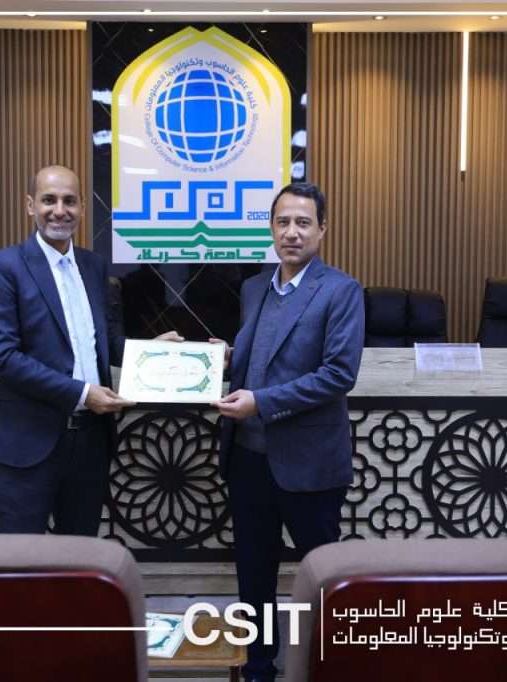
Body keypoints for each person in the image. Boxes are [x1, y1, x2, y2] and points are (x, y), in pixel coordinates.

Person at [213, 182, 364, 682]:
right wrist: (224, 358)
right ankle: (258, 669)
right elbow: (259, 355)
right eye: (282, 223)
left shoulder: (341, 291)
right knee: (253, 577)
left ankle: (330, 667)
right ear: (271, 229)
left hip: (309, 462)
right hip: (248, 459)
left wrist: (261, 402)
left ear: (323, 229)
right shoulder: (254, 288)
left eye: (303, 223)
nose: (291, 233)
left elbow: (338, 374)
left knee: (324, 577)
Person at [0, 164, 179, 535]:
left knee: (80, 553)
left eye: (69, 201)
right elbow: (2, 358)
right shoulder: (3, 268)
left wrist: (149, 351)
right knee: (20, 556)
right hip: (28, 442)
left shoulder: (93, 267)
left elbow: (105, 345)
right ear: (30, 205)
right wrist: (83, 393)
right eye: (49, 200)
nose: (60, 210)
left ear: (83, 207)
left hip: (89, 442)